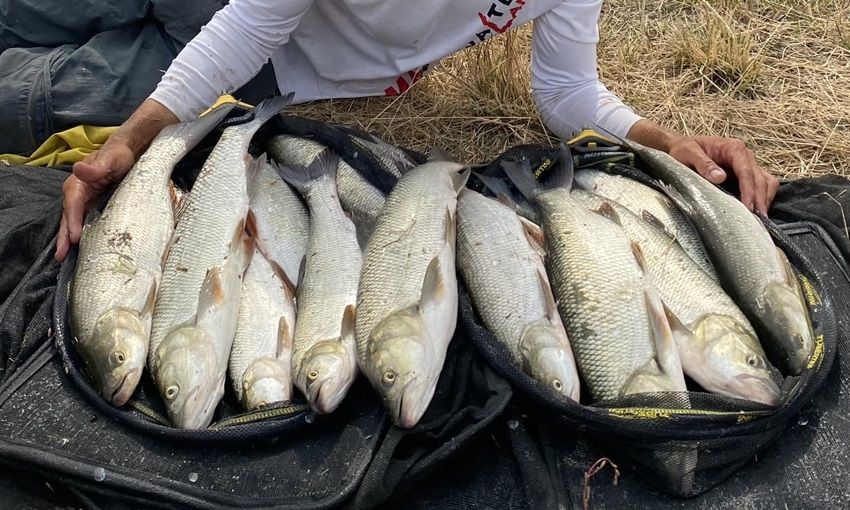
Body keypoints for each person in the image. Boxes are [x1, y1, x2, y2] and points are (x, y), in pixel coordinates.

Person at [54, 0, 780, 262]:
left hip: (272, 68)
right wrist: (134, 138)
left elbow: (565, 90)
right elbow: (245, 23)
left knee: (27, 97)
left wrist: (665, 142)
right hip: (234, 28)